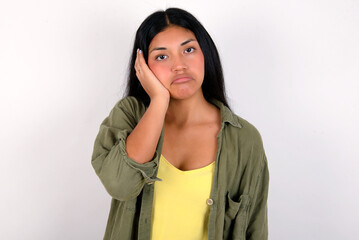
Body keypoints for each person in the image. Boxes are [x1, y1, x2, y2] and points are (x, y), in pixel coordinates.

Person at [91, 7, 269, 240]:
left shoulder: (245, 139)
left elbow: (255, 229)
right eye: (162, 56)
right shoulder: (129, 116)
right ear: (142, 66)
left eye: (189, 49)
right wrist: (159, 100)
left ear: (205, 53)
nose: (179, 65)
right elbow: (120, 185)